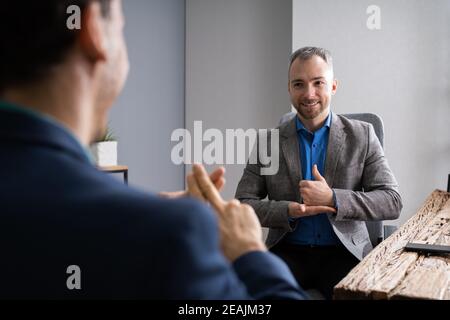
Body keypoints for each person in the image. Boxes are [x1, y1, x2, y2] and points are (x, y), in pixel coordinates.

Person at [0, 0, 307, 299]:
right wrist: (249, 251)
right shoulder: (172, 234)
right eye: (122, 28)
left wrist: (147, 210)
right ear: (92, 29)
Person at [235, 46, 403, 299]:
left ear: (333, 86)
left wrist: (333, 199)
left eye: (318, 83)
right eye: (299, 84)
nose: (309, 93)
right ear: (289, 88)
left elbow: (392, 201)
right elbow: (242, 205)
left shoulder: (363, 135)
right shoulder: (268, 142)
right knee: (250, 295)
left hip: (344, 252)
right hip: (287, 250)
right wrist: (287, 211)